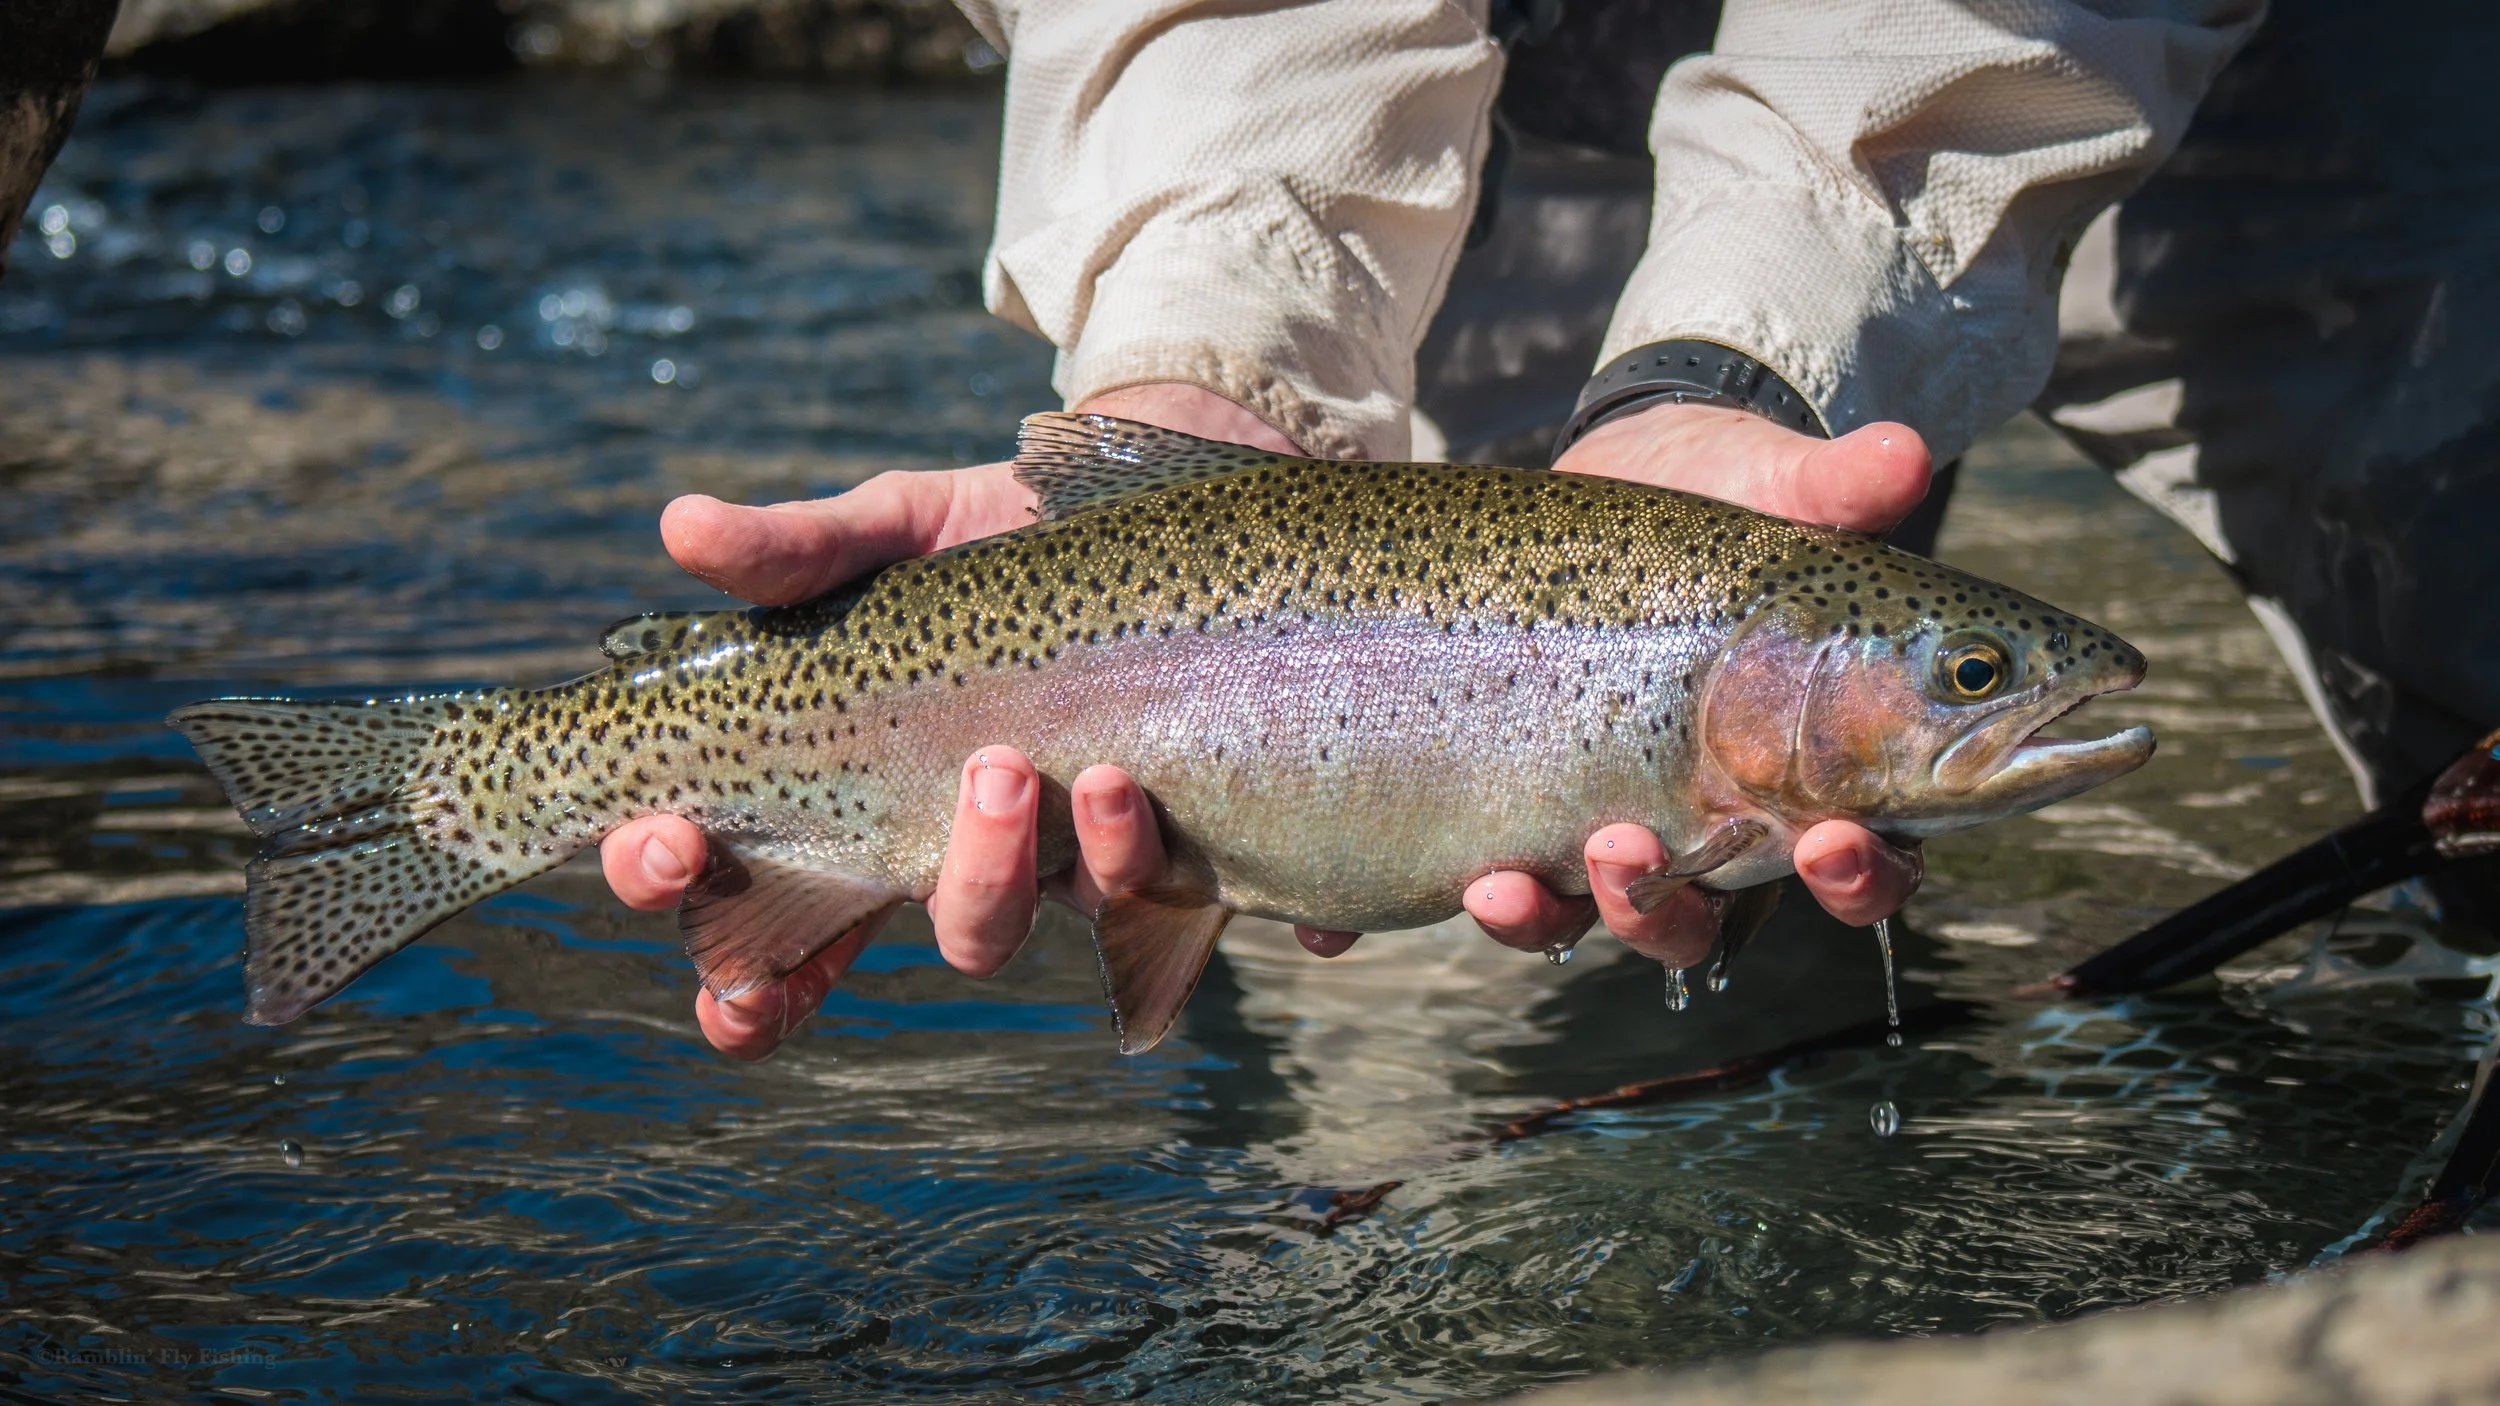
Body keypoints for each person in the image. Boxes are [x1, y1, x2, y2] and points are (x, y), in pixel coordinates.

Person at [593, 0, 2354, 1059]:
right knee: (1432, 1074)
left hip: (2178, 66)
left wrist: (1729, 355)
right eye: (1971, 667)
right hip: (1450, 128)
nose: (1995, 683)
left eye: (1970, 672)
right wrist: (1212, 363)